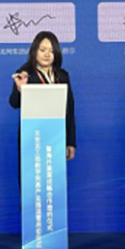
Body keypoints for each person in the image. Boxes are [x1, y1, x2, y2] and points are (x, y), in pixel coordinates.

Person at [9, 31, 77, 162]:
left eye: (51, 51)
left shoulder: (63, 76)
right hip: (33, 136)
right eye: (42, 50)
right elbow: (14, 103)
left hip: (57, 134)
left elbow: (69, 109)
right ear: (34, 51)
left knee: (54, 173)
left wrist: (70, 141)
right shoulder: (25, 74)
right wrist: (20, 89)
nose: (47, 54)